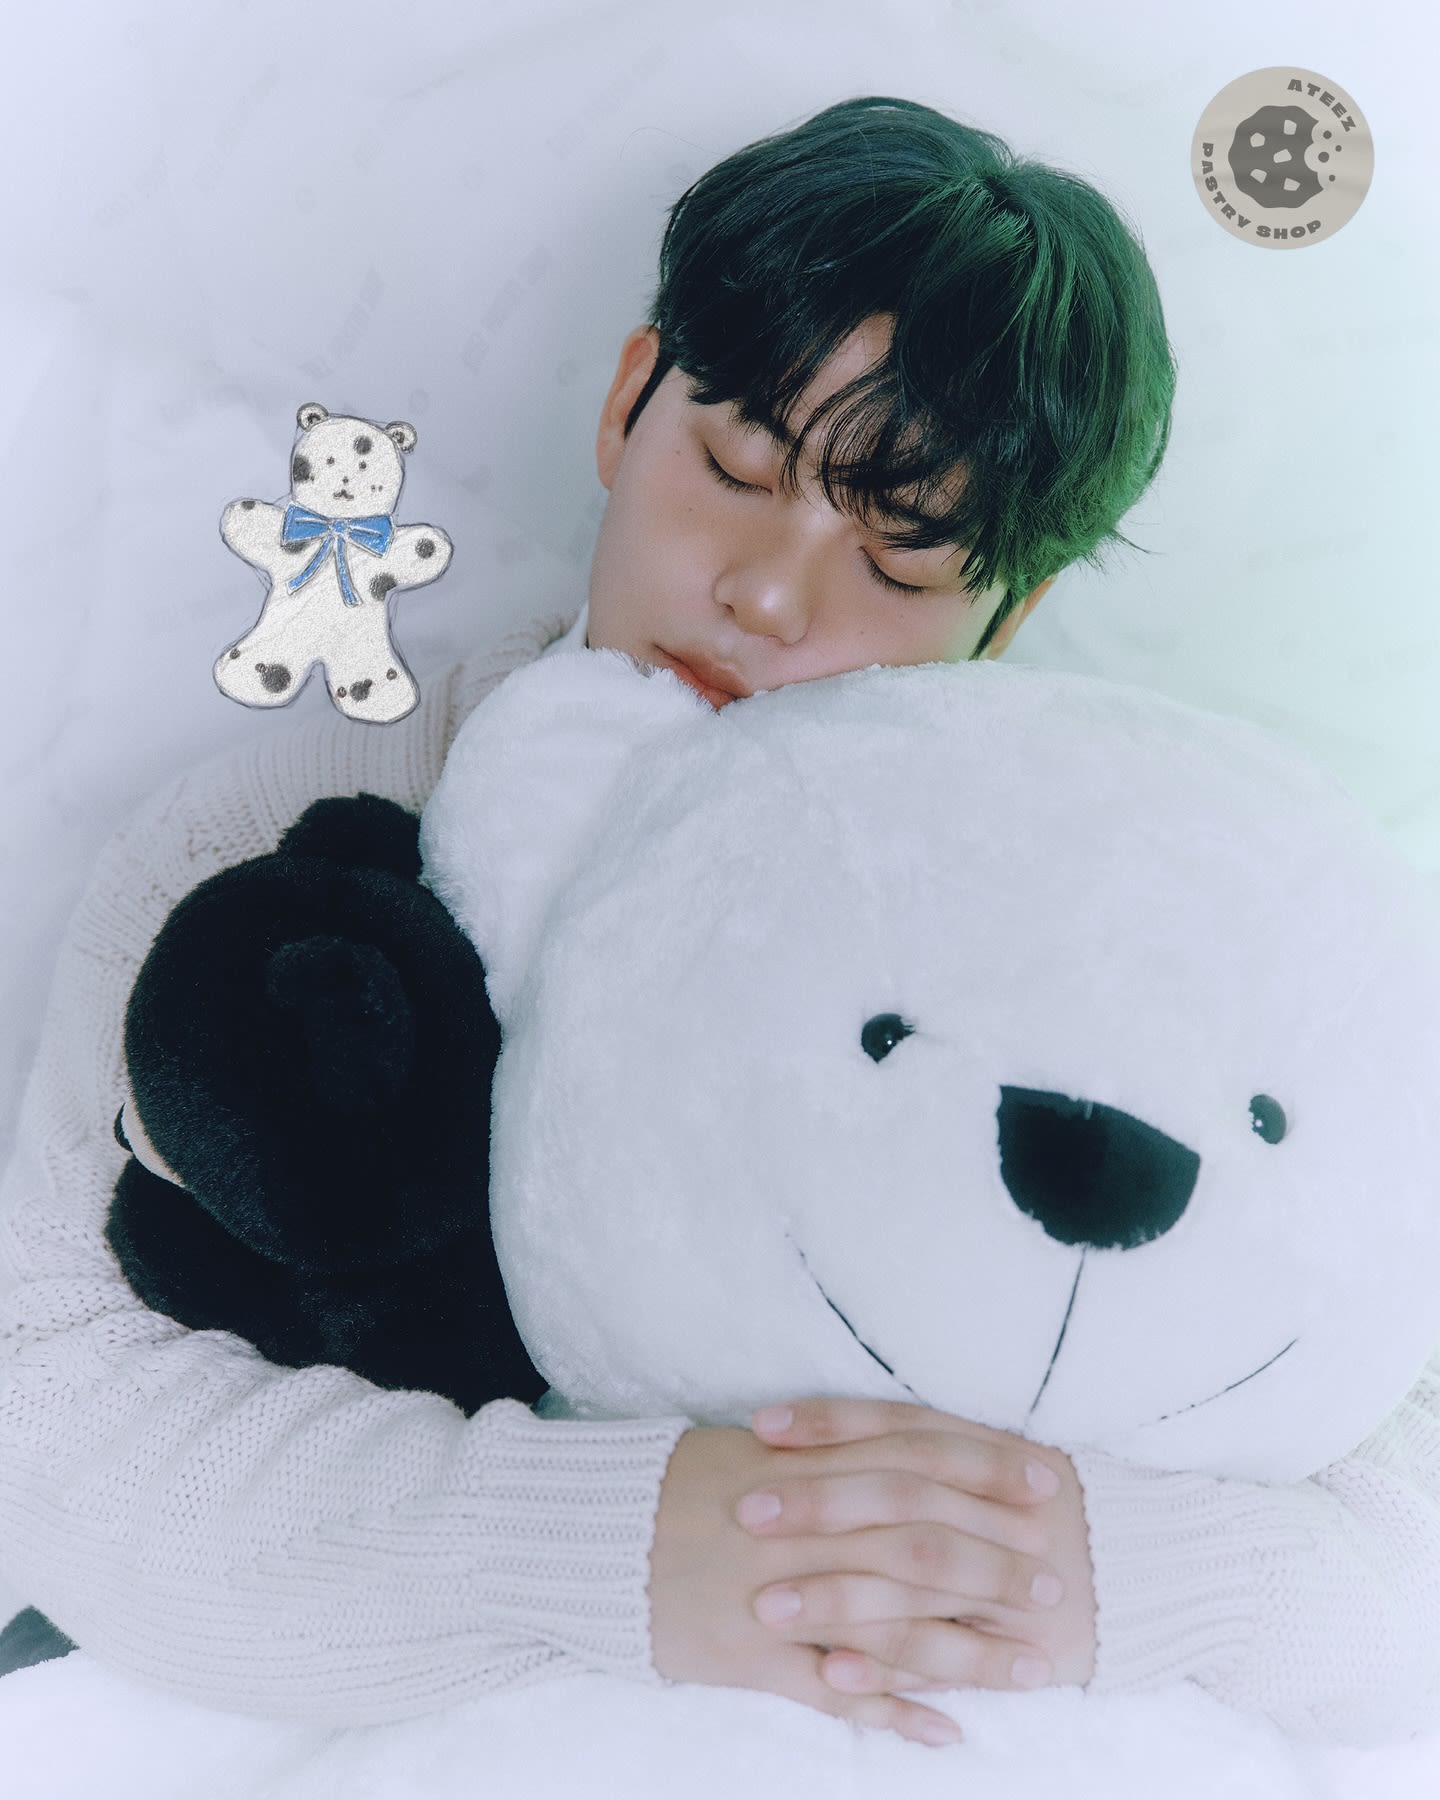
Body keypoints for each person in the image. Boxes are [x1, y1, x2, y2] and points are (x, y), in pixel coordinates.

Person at [1, 92, 1436, 1757]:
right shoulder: (300, 832)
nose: (767, 592)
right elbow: (50, 1402)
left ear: (1010, 615)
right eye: (739, 468)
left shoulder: (1094, 919)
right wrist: (614, 1544)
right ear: (630, 402)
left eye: (900, 561)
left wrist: (1114, 1576)